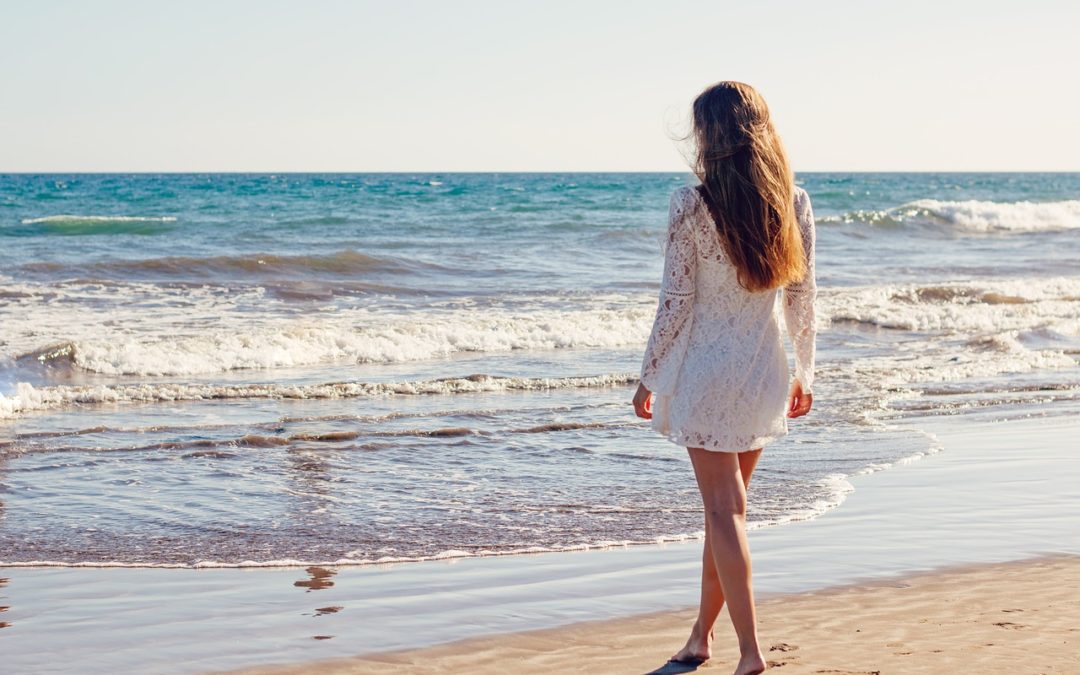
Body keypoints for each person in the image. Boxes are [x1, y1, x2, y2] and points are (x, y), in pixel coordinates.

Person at [632, 81, 817, 675]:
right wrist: (805, 370)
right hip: (764, 370)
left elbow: (675, 301)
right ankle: (700, 639)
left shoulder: (690, 204)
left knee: (723, 513)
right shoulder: (793, 202)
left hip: (706, 375)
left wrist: (648, 376)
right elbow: (803, 298)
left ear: (711, 136)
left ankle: (750, 652)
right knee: (728, 513)